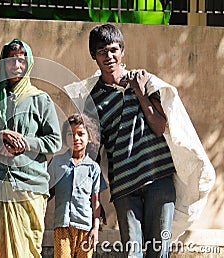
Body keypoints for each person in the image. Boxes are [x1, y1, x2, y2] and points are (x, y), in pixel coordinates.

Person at [80, 24, 215, 258]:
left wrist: (140, 92)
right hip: (124, 186)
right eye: (101, 51)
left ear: (122, 51)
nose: (108, 56)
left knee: (158, 250)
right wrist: (94, 201)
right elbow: (92, 151)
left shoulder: (145, 81)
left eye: (113, 49)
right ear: (94, 56)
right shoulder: (92, 100)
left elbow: (160, 126)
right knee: (132, 251)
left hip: (159, 181)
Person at [0, 38, 62, 257]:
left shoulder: (41, 100)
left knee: (27, 248)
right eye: (11, 60)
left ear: (29, 63)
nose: (16, 66)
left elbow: (54, 141)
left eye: (21, 60)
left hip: (29, 185)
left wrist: (24, 143)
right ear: (3, 64)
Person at [48, 114, 107, 258]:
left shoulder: (93, 168)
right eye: (71, 134)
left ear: (89, 137)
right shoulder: (57, 163)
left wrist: (95, 227)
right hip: (62, 226)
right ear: (65, 137)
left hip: (85, 228)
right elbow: (46, 192)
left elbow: (96, 201)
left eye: (80, 134)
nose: (76, 138)